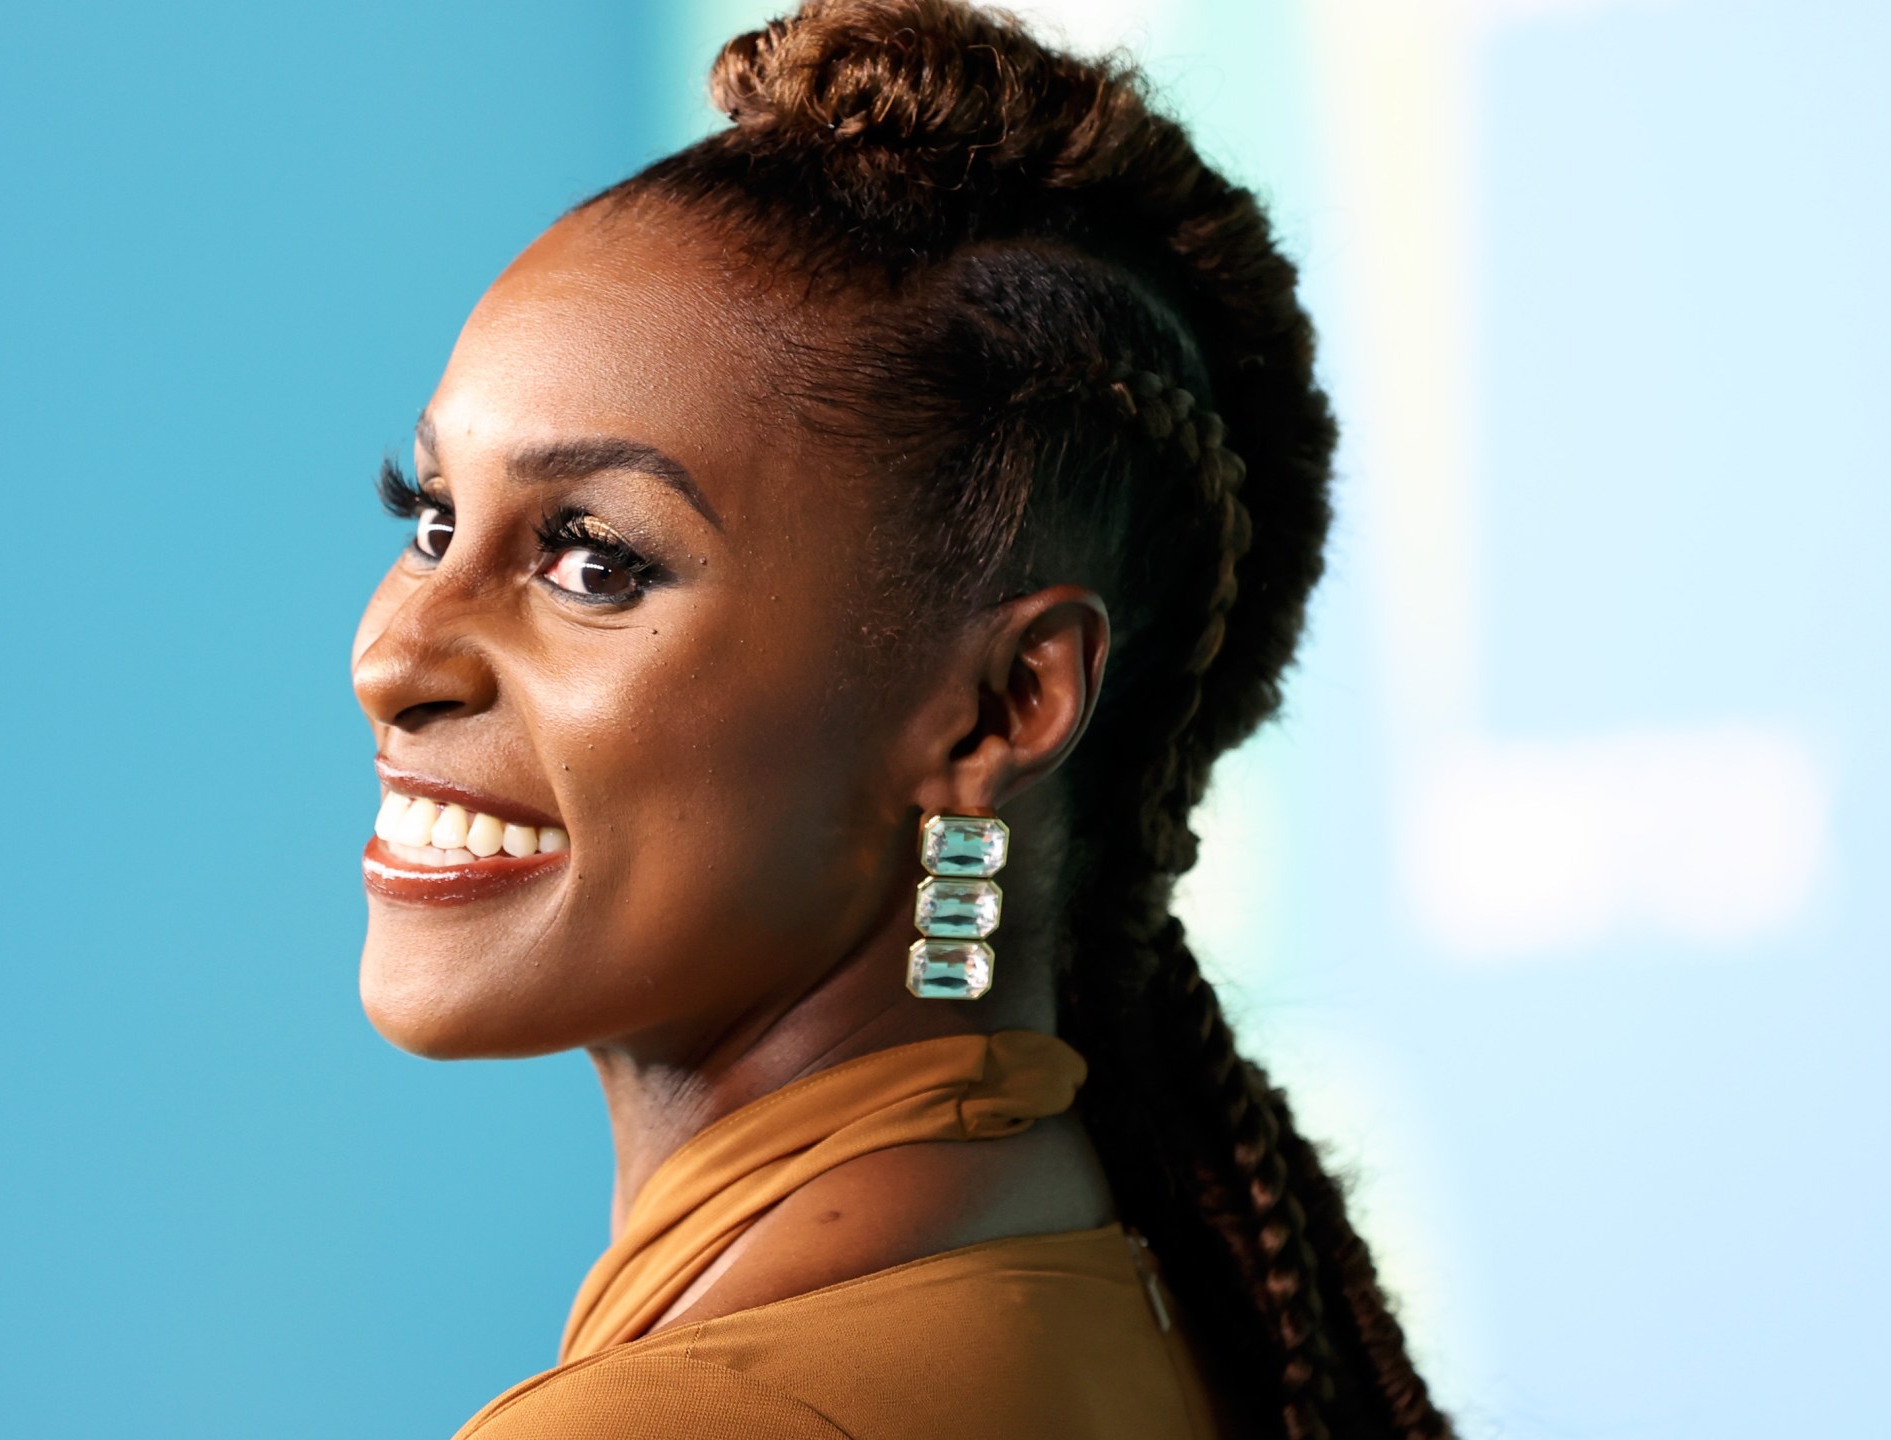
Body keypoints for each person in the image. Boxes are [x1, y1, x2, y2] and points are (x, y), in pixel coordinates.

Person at [350, 2, 1449, 1435]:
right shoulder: (1156, 1317)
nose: (396, 656)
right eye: (431, 518)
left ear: (1004, 705)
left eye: (594, 563)